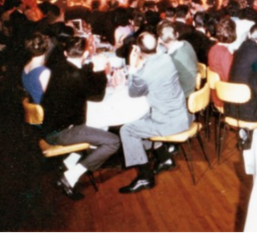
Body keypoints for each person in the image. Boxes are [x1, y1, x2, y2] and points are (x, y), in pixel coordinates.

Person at [41, 37, 120, 201]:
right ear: (85, 54)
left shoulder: (59, 66)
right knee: (113, 142)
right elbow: (98, 96)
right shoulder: (77, 76)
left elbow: (80, 73)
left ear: (65, 53)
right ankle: (70, 177)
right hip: (62, 132)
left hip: (49, 127)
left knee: (101, 126)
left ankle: (68, 163)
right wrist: (100, 71)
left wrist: (92, 68)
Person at [119, 32, 192, 194]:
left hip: (168, 123)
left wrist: (133, 68)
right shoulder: (167, 58)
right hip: (183, 116)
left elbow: (133, 93)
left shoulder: (143, 74)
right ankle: (164, 158)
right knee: (144, 117)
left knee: (127, 130)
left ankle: (145, 176)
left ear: (138, 50)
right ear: (158, 44)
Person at [156, 19, 198, 98]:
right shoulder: (186, 43)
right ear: (177, 34)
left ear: (160, 40)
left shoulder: (171, 59)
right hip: (194, 86)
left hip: (184, 93)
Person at [207, 18, 237, 109]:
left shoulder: (213, 48)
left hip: (215, 92)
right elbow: (230, 78)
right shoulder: (225, 53)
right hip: (224, 97)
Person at [21, 32, 51, 104]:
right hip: (41, 107)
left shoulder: (26, 66)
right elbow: (49, 97)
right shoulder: (44, 72)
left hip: (32, 105)